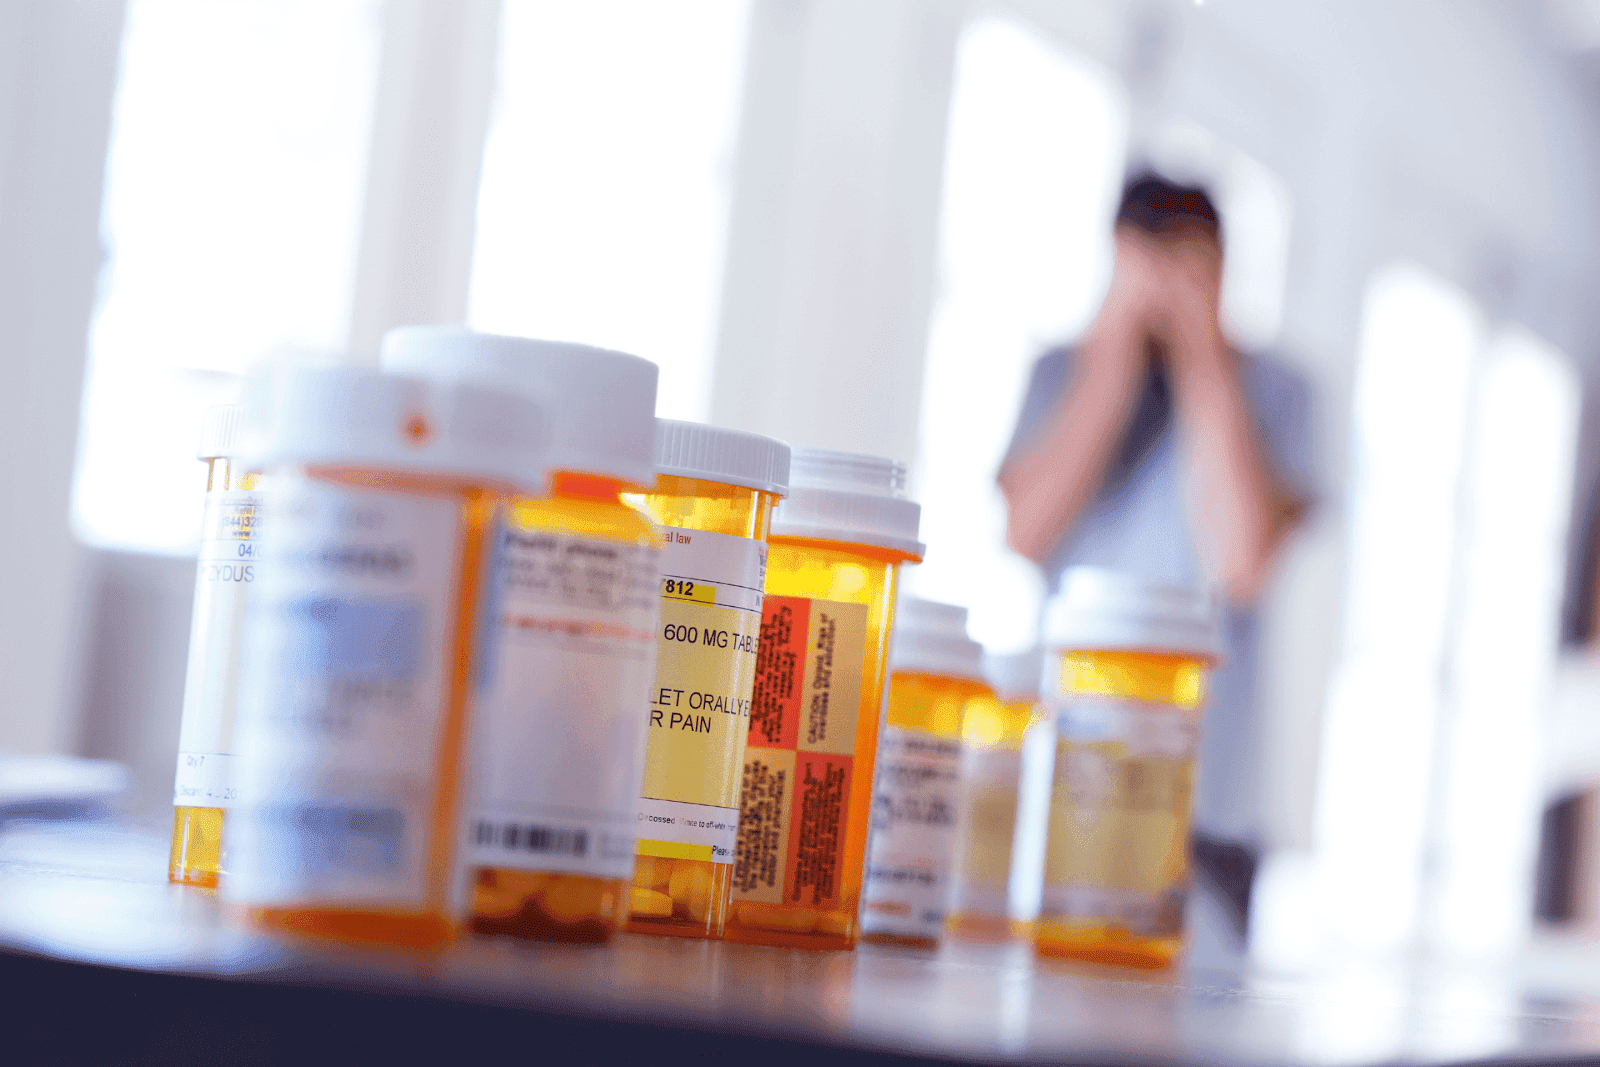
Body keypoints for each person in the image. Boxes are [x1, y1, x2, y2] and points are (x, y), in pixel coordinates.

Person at [998, 171, 1315, 939]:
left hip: (1210, 816)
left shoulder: (1280, 389)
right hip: (1066, 779)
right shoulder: (1058, 371)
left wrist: (1202, 356)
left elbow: (1242, 560)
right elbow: (1025, 533)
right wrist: (1113, 360)